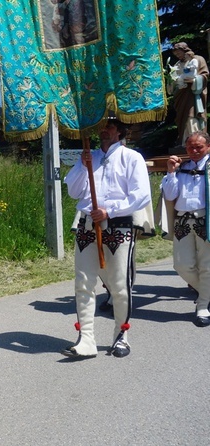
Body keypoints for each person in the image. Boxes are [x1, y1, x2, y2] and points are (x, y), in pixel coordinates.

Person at [62, 119, 153, 359]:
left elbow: (141, 195)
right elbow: (73, 191)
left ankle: (121, 335)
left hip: (118, 225)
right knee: (83, 283)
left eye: (110, 126)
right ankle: (87, 339)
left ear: (121, 131)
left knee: (120, 285)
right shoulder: (88, 156)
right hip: (87, 225)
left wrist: (109, 211)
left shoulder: (131, 158)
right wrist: (82, 167)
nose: (105, 129)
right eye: (102, 126)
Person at [161, 131, 210, 327]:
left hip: (206, 220)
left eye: (199, 147)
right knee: (181, 265)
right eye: (190, 147)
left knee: (207, 267)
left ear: (208, 147)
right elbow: (170, 195)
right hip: (182, 221)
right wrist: (171, 172)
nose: (194, 151)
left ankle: (203, 305)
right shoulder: (181, 169)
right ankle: (207, 294)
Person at [167, 42, 208, 145]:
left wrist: (194, 81)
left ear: (185, 50)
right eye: (176, 55)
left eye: (179, 53)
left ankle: (196, 141)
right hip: (181, 94)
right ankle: (184, 141)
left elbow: (204, 75)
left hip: (193, 94)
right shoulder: (177, 65)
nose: (178, 56)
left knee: (192, 115)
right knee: (183, 118)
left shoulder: (198, 59)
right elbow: (173, 79)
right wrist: (171, 82)